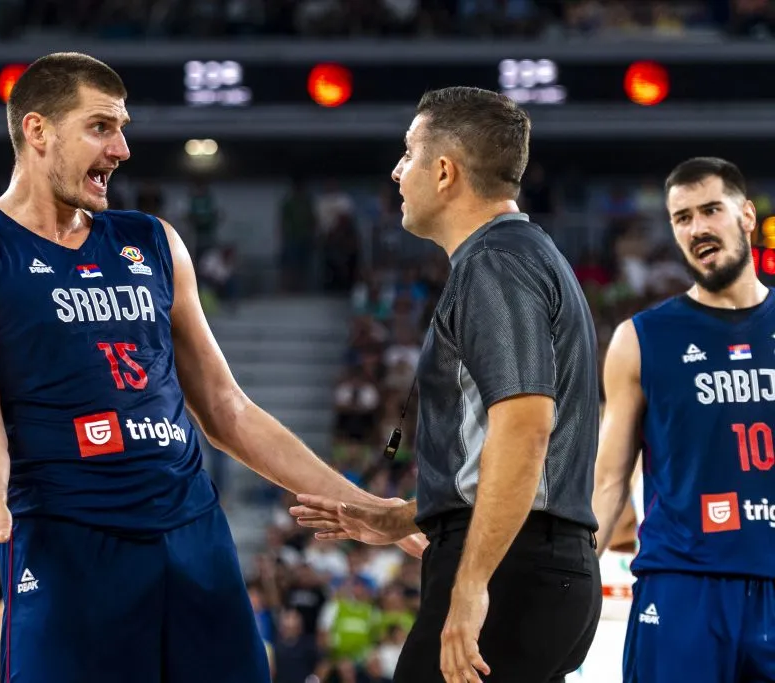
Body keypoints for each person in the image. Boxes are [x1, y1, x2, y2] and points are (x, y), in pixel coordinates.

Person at [0, 51, 426, 683]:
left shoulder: (152, 239)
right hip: (71, 540)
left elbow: (227, 409)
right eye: (101, 127)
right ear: (37, 130)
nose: (121, 149)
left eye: (123, 129)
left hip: (193, 535)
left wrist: (363, 504)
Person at [291, 86, 602, 682]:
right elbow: (503, 459)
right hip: (541, 567)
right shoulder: (526, 256)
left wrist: (472, 584)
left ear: (443, 171)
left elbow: (525, 427)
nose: (396, 170)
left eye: (408, 153)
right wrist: (410, 516)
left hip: (514, 571)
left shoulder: (495, 262)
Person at [592, 157, 775, 682]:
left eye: (711, 210)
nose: (698, 228)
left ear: (746, 215)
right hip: (681, 583)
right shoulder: (640, 339)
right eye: (683, 218)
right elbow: (608, 483)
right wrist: (567, 583)